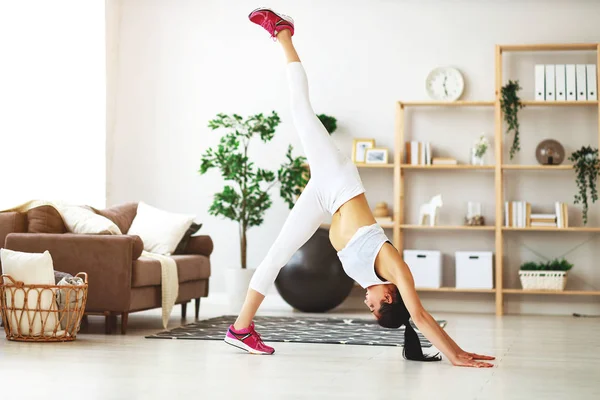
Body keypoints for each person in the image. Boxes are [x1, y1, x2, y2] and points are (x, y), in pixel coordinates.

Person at [224, 7, 495, 368]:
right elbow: (422, 316)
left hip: (324, 197)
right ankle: (283, 32)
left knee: (275, 255)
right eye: (377, 307)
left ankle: (241, 329)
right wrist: (456, 354)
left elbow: (410, 319)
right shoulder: (393, 266)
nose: (368, 305)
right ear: (391, 295)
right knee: (301, 109)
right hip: (338, 180)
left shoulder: (370, 280)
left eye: (370, 311)